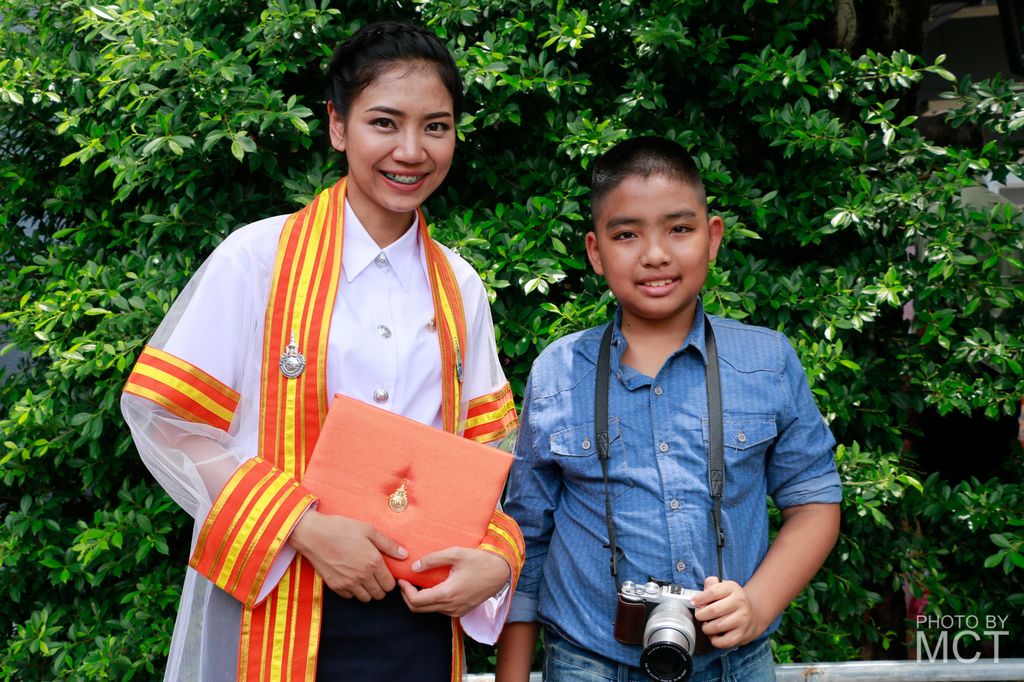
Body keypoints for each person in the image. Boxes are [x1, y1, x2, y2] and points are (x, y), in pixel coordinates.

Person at [122, 21, 523, 682]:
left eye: (436, 127)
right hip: (283, 598)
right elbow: (168, 419)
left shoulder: (460, 284)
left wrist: (499, 559)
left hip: (418, 610)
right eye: (384, 123)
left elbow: (487, 453)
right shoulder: (258, 259)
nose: (411, 151)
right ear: (338, 125)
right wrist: (301, 526)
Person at [495, 136, 842, 682]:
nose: (655, 254)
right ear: (595, 252)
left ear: (713, 237)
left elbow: (814, 502)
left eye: (679, 229)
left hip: (734, 664)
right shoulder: (559, 372)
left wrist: (758, 605)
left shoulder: (767, 360)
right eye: (626, 234)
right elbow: (526, 539)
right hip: (589, 663)